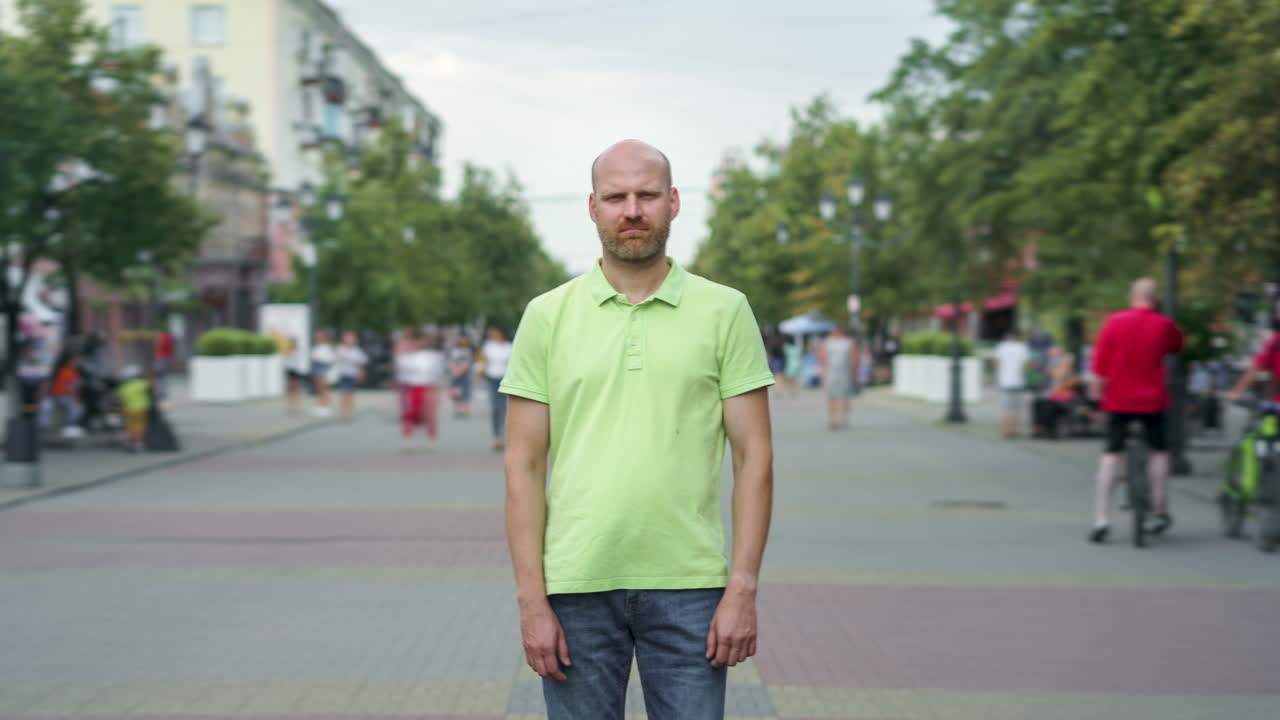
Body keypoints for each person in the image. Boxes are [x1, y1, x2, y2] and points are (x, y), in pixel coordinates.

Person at [502, 140, 775, 720]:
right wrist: (532, 600)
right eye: (616, 197)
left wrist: (743, 590)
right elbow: (522, 465)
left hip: (692, 586)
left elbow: (756, 460)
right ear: (593, 207)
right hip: (575, 584)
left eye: (647, 195)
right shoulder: (546, 316)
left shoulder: (725, 311)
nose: (632, 210)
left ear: (673, 203)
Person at [1088, 278, 1185, 543]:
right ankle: (1158, 510)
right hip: (1152, 401)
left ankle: (1101, 519)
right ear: (1154, 299)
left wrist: (1096, 397)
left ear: (1132, 296)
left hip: (1118, 400)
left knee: (1110, 455)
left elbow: (1099, 366)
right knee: (1159, 452)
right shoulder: (1164, 324)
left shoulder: (1114, 321)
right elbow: (1177, 346)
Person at [394, 329, 446, 451]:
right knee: (409, 415)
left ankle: (430, 442)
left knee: (429, 415)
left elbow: (437, 372)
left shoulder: (433, 356)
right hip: (410, 387)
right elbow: (401, 371)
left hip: (427, 387)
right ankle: (407, 441)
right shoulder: (404, 356)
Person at [1227, 298, 1280, 404]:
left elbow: (1255, 368)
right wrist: (1237, 390)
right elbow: (1256, 367)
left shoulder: (1275, 341)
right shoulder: (1275, 341)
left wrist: (1236, 391)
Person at [479, 325, 513, 451]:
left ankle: (507, 436)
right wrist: (480, 373)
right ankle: (497, 437)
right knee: (495, 408)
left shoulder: (509, 346)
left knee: (507, 408)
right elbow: (483, 361)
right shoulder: (488, 346)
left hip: (506, 379)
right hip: (492, 378)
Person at [819, 325, 857, 429]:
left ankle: (843, 417)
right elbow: (822, 358)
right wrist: (823, 374)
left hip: (845, 373)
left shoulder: (848, 342)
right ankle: (833, 419)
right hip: (831, 373)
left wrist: (854, 374)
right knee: (831, 397)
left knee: (844, 396)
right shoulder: (827, 342)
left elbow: (853, 358)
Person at [995, 330, 1030, 438]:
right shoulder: (1022, 347)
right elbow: (1026, 365)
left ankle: (1006, 430)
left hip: (1005, 381)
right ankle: (1015, 430)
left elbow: (997, 363)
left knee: (1005, 408)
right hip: (1019, 382)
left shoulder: (1001, 347)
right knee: (1017, 408)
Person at [49, 352, 85, 439]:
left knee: (78, 406)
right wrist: (74, 398)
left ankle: (70, 427)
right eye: (75, 361)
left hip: (66, 396)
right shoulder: (66, 371)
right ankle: (68, 427)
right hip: (60, 395)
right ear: (69, 362)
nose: (77, 363)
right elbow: (68, 388)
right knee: (76, 408)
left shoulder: (74, 372)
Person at [116, 364, 151, 453]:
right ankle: (138, 443)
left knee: (130, 427)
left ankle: (129, 442)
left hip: (128, 409)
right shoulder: (141, 384)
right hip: (141, 409)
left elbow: (120, 400)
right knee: (140, 427)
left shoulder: (124, 387)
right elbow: (151, 387)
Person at [334, 331, 368, 422]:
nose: (349, 341)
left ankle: (349, 413)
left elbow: (361, 363)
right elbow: (335, 360)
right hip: (343, 374)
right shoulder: (340, 349)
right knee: (343, 394)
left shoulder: (357, 351)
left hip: (352, 374)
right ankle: (343, 413)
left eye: (351, 339)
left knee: (350, 394)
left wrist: (361, 373)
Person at [447, 334, 476, 418]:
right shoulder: (453, 349)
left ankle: (465, 409)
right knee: (455, 391)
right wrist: (454, 369)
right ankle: (456, 409)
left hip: (465, 373)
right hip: (454, 373)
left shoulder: (469, 350)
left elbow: (469, 362)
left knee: (466, 391)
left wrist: (461, 370)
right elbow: (449, 360)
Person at [310, 329, 336, 417]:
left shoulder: (327, 347)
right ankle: (320, 405)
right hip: (317, 367)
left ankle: (325, 406)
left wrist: (319, 359)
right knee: (319, 388)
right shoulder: (317, 346)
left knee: (324, 388)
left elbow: (332, 359)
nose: (318, 337)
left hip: (323, 368)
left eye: (320, 336)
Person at [283, 335, 308, 413]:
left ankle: (297, 405)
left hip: (296, 370)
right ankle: (291, 405)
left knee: (297, 388)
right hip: (290, 370)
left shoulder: (298, 350)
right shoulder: (287, 350)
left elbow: (301, 360)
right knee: (290, 388)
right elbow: (285, 360)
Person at [153, 329, 174, 400]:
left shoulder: (162, 337)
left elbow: (160, 346)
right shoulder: (169, 337)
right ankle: (163, 392)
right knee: (164, 376)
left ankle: (161, 392)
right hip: (167, 357)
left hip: (161, 358)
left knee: (160, 376)